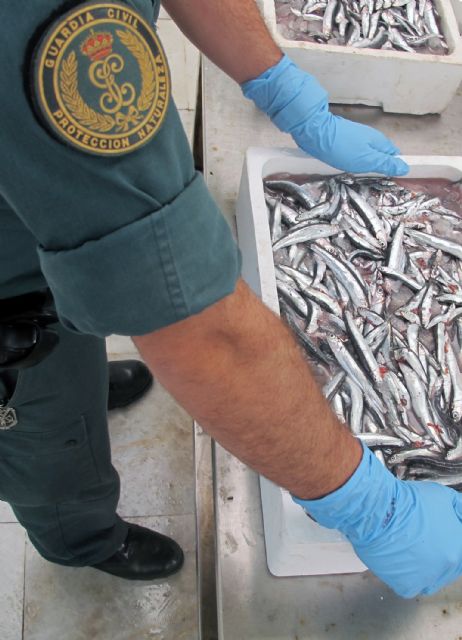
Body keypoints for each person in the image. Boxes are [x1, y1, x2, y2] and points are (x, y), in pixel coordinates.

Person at [1, 0, 461, 601]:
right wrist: (365, 505)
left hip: (34, 214)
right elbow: (192, 322)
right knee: (42, 436)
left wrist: (279, 83)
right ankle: (81, 538)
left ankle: (75, 386)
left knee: (72, 335)